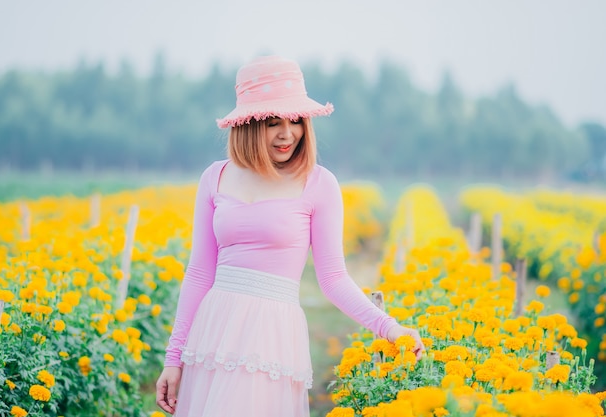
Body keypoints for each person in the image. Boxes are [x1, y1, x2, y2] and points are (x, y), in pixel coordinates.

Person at [155, 55, 425, 417]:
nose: (287, 134)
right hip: (214, 330)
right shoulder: (215, 177)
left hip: (270, 335)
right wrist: (174, 357)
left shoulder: (318, 183)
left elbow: (332, 279)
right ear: (248, 126)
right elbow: (200, 273)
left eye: (296, 120)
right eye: (272, 123)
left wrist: (389, 327)